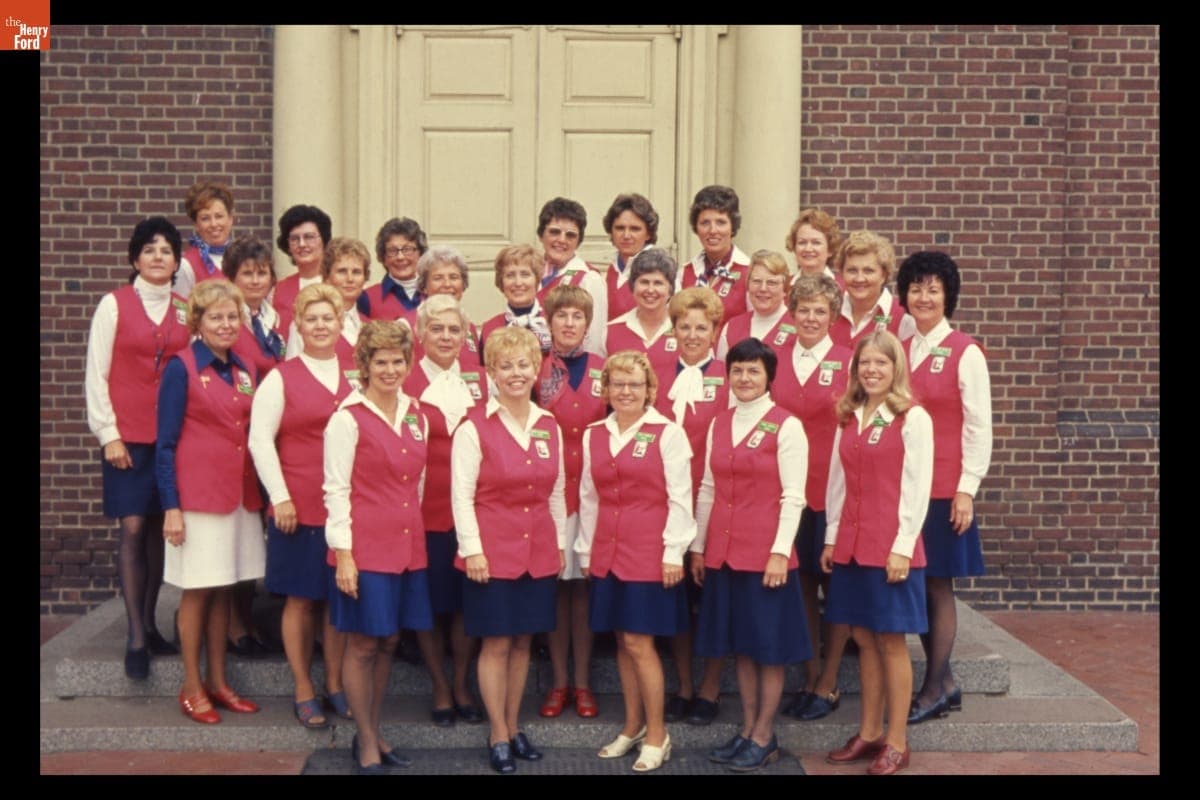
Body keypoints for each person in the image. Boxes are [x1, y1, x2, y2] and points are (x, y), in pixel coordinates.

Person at [691, 337, 811, 771]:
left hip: (765, 559)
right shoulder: (719, 423)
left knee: (768, 649)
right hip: (724, 555)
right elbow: (707, 489)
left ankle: (765, 734)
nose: (744, 378)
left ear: (768, 377)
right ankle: (746, 730)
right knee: (741, 646)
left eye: (753, 371)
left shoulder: (786, 425)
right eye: (737, 370)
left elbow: (794, 496)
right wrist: (699, 547)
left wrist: (780, 552)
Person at [451, 326, 567, 774]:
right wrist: (473, 550)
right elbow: (461, 496)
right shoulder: (473, 427)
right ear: (490, 373)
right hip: (491, 551)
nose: (516, 374)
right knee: (497, 643)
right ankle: (497, 732)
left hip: (537, 550)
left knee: (522, 642)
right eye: (506, 366)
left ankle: (515, 726)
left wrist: (557, 544)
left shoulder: (548, 424)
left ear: (536, 369)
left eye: (524, 364)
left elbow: (555, 492)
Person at [821, 330, 933, 776]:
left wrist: (903, 546)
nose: (871, 370)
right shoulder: (849, 416)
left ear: (896, 368)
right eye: (864, 362)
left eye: (880, 363)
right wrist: (831, 536)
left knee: (890, 640)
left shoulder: (913, 417)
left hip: (890, 545)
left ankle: (897, 740)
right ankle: (868, 732)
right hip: (851, 542)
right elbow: (837, 481)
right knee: (862, 637)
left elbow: (917, 487)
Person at [578, 351, 697, 773]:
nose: (625, 391)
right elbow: (588, 498)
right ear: (606, 389)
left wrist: (673, 552)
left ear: (650, 391)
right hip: (607, 553)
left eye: (635, 384)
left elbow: (681, 498)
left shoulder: (668, 433)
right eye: (617, 384)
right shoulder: (594, 433)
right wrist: (585, 551)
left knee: (641, 645)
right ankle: (632, 727)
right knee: (624, 644)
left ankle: (659, 734)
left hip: (650, 552)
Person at [324, 320, 432, 773]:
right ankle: (365, 738)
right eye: (380, 362)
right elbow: (335, 490)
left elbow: (419, 483)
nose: (390, 369)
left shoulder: (416, 413)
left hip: (408, 546)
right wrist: (345, 555)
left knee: (389, 640)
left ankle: (377, 729)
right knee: (364, 644)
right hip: (364, 549)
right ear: (364, 366)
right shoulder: (346, 418)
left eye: (397, 361)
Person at [156, 280, 266, 724]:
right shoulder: (181, 367)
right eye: (216, 317)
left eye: (232, 316)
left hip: (238, 496)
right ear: (197, 323)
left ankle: (219, 682)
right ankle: (190, 684)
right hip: (197, 499)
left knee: (226, 587)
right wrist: (171, 507)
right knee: (198, 590)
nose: (226, 324)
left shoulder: (242, 367)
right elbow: (165, 444)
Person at [86, 216, 189, 679]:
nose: (157, 257)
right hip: (126, 440)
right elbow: (97, 374)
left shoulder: (188, 310)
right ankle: (134, 635)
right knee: (131, 527)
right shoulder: (113, 305)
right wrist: (108, 433)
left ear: (176, 262)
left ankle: (150, 621)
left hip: (172, 439)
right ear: (135, 258)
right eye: (149, 249)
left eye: (166, 250)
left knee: (156, 529)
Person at [248, 283, 355, 730]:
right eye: (311, 319)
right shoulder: (282, 376)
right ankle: (302, 686)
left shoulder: (357, 371)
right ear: (299, 325)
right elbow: (260, 441)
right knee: (301, 600)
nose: (320, 326)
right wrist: (280, 496)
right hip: (299, 505)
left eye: (327, 317)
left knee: (335, 601)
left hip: (345, 509)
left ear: (339, 322)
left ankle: (334, 682)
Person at [897, 251, 992, 723]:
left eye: (933, 289)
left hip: (943, 488)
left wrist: (966, 489)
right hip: (904, 485)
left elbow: (979, 425)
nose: (924, 297)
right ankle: (947, 682)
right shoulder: (901, 344)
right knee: (917, 581)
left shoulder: (964, 350)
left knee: (937, 585)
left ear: (947, 295)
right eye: (916, 288)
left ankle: (934, 685)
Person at [772, 273, 855, 722]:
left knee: (835, 586)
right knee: (800, 583)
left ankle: (829, 682)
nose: (810, 318)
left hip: (834, 489)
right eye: (803, 309)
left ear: (832, 316)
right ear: (792, 312)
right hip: (788, 492)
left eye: (820, 310)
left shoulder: (849, 361)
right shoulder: (775, 360)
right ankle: (809, 675)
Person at [402, 294, 488, 727]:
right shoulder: (404, 380)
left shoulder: (481, 380)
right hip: (424, 511)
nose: (446, 337)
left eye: (455, 329)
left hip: (473, 513)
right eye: (437, 329)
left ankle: (460, 684)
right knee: (430, 604)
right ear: (420, 334)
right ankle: (439, 686)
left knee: (463, 605)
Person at [653, 286, 729, 726]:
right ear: (674, 329)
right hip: (663, 503)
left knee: (713, 600)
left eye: (702, 327)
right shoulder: (657, 372)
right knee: (676, 600)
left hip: (715, 502)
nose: (693, 334)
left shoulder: (729, 374)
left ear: (715, 330)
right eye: (685, 326)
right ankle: (682, 684)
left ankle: (711, 686)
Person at [534, 285, 607, 720]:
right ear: (549, 321)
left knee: (584, 590)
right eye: (561, 315)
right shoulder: (537, 369)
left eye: (577, 316)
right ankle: (558, 681)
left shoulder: (605, 369)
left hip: (595, 494)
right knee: (557, 589)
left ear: (587, 322)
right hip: (552, 495)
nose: (568, 323)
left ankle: (583, 682)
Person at [221, 234, 284, 659]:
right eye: (247, 272)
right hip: (236, 439)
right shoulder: (229, 320)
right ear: (232, 277)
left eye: (262, 272)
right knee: (235, 535)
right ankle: (232, 625)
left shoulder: (273, 321)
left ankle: (245, 618)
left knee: (252, 536)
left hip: (270, 438)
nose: (256, 279)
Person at [535, 197, 608, 355]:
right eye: (554, 232)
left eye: (570, 235)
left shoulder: (589, 278)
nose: (562, 240)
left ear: (578, 241)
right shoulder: (529, 272)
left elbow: (594, 340)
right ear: (541, 235)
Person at [284, 237, 369, 360]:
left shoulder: (368, 325)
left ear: (364, 279)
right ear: (326, 277)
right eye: (342, 271)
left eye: (356, 272)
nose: (350, 279)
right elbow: (293, 372)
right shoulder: (306, 324)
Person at [829, 230, 916, 350]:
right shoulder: (829, 311)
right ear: (842, 272)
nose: (859, 278)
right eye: (852, 270)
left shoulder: (904, 317)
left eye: (868, 271)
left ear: (884, 275)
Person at [605, 248, 679, 387]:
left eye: (658, 283)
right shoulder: (610, 331)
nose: (650, 290)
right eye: (644, 282)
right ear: (632, 287)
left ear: (670, 290)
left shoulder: (684, 329)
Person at [679, 185, 751, 325]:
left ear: (732, 226)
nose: (713, 230)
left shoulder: (749, 272)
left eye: (721, 222)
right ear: (696, 227)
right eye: (705, 223)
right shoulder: (684, 273)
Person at [716, 249, 794, 360]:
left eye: (771, 283)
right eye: (756, 281)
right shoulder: (731, 328)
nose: (763, 289)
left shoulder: (799, 327)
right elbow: (722, 373)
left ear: (785, 288)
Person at [272, 204, 333, 342]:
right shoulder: (277, 290)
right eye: (294, 239)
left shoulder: (338, 285)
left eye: (309, 237)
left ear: (323, 240)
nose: (302, 244)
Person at [415, 245, 482, 365]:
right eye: (438, 278)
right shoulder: (408, 325)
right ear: (424, 286)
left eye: (453, 277)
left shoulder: (469, 327)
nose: (447, 284)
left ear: (463, 284)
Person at [480, 244, 552, 355]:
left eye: (525, 274)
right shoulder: (490, 328)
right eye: (510, 275)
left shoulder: (552, 323)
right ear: (501, 282)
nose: (518, 283)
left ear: (537, 280)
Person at [357, 217, 428, 327]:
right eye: (392, 251)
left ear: (420, 254)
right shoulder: (366, 298)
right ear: (383, 258)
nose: (400, 257)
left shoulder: (433, 294)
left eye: (407, 249)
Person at [601, 193, 659, 321]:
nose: (626, 235)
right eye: (620, 228)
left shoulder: (661, 271)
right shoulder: (611, 269)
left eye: (635, 229)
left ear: (648, 233)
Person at [176, 180, 235, 299]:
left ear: (230, 219)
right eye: (205, 218)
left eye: (219, 216)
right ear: (196, 224)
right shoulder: (186, 266)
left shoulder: (243, 257)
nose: (213, 224)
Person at [785, 207, 843, 284]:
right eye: (802, 242)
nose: (808, 249)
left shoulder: (844, 288)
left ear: (830, 249)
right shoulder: (783, 287)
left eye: (816, 242)